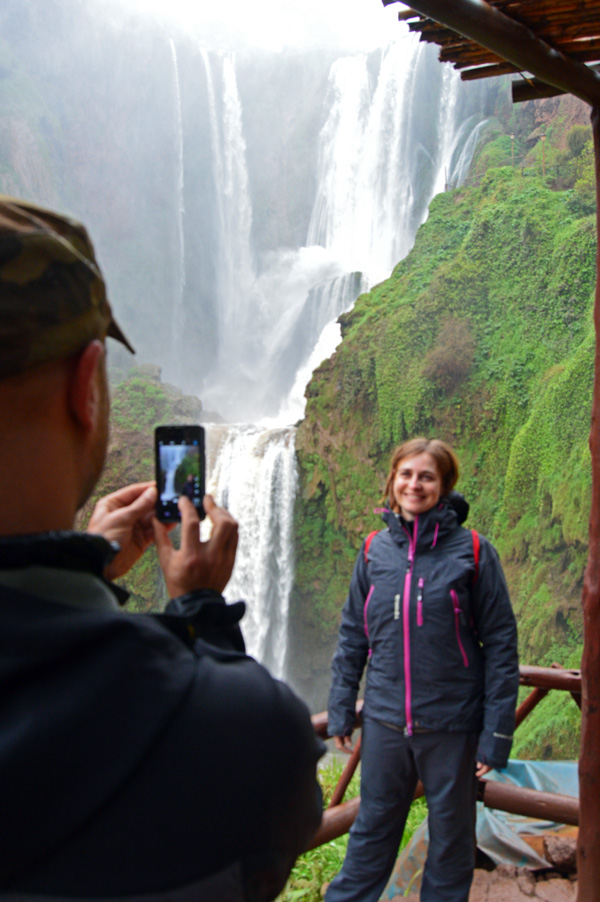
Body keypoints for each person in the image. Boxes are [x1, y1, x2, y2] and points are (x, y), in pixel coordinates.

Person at [0, 195, 324, 901]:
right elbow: (278, 804)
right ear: (87, 388)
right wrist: (201, 608)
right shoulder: (243, 731)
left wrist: (77, 567)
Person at [325, 438, 519, 902]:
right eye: (407, 474)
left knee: (450, 847)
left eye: (427, 476)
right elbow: (354, 633)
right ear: (392, 481)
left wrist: (496, 734)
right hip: (386, 723)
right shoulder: (374, 550)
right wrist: (339, 708)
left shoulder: (473, 551)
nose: (415, 484)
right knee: (370, 838)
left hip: (452, 725)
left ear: (444, 486)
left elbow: (501, 645)